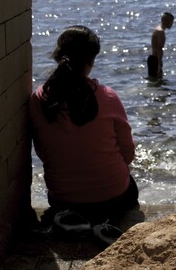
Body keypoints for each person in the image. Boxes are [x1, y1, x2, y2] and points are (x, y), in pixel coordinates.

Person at [28, 25, 138, 242]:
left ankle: (74, 221)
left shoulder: (38, 99)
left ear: (58, 56)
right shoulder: (108, 97)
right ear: (91, 61)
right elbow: (128, 154)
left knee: (69, 203)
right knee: (130, 187)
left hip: (63, 197)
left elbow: (42, 151)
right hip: (113, 196)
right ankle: (101, 223)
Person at [147, 12, 174, 78]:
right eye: (171, 22)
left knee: (154, 82)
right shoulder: (161, 32)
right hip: (155, 60)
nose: (172, 24)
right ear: (167, 21)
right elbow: (159, 49)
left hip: (152, 58)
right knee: (158, 82)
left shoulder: (157, 29)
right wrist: (159, 65)